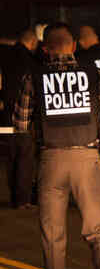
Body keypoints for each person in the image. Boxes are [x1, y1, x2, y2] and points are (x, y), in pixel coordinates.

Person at [13, 22, 100, 269]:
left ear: (46, 48)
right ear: (74, 46)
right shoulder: (95, 74)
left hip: (51, 159)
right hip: (88, 159)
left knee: (53, 239)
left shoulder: (33, 77)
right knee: (99, 233)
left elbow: (20, 124)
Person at [1, 29, 39, 209]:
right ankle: (22, 199)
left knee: (11, 155)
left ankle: (14, 196)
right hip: (22, 117)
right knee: (25, 156)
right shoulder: (30, 62)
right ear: (31, 42)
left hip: (4, 117)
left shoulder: (5, 57)